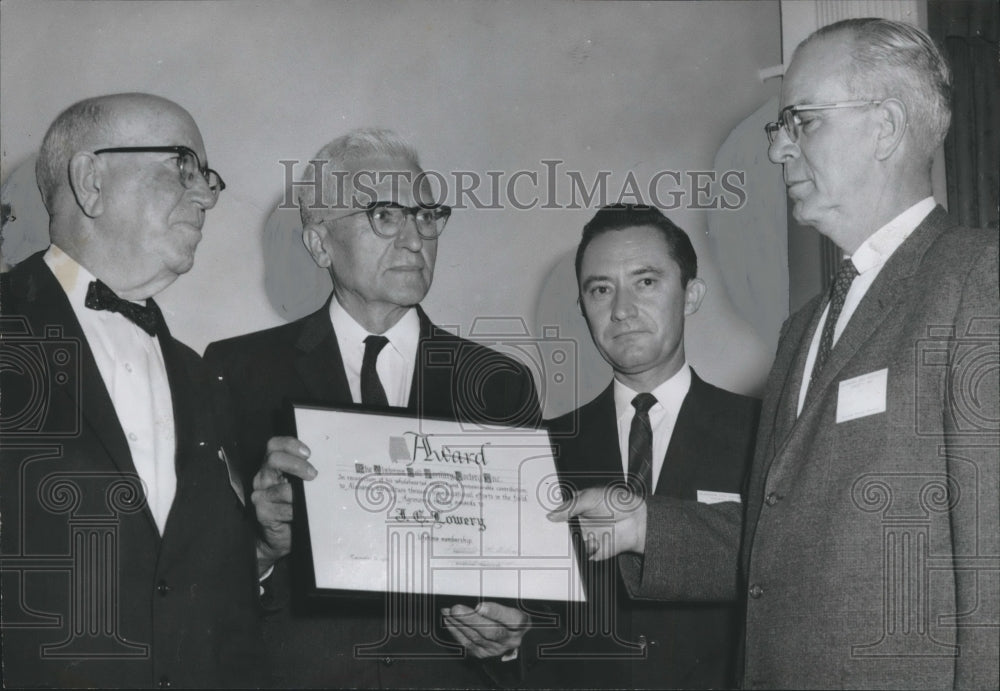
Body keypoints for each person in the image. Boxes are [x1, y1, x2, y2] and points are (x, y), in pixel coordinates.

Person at [551, 18, 999, 689]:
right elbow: (781, 537)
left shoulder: (975, 283)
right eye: (780, 126)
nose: (779, 150)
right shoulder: (804, 328)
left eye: (802, 121)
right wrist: (643, 522)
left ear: (884, 126)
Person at [203, 128, 541, 688]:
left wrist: (510, 634)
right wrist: (261, 547)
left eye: (427, 215)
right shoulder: (237, 371)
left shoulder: (500, 384)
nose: (415, 240)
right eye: (386, 215)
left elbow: (533, 583)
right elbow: (195, 576)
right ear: (319, 244)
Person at [0, 93, 264, 688]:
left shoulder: (202, 377)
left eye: (207, 179)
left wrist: (262, 552)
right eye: (181, 166)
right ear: (91, 181)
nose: (204, 196)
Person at [521, 204, 757, 689]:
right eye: (601, 289)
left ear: (691, 295)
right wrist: (505, 636)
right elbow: (530, 622)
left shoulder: (765, 431)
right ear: (582, 308)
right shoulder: (540, 449)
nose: (622, 309)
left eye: (646, 282)